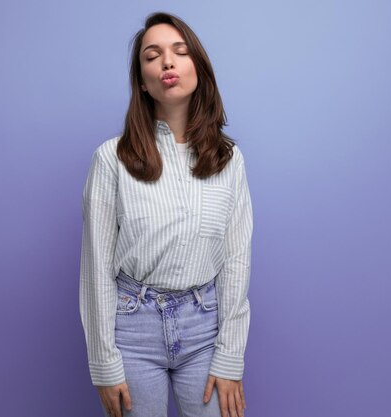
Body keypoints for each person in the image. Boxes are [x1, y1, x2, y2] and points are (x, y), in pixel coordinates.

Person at [79, 11, 253, 417]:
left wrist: (231, 354)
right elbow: (96, 266)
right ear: (142, 80)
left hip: (205, 329)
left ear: (199, 68)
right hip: (133, 330)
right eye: (152, 56)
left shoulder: (229, 160)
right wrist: (104, 362)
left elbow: (236, 260)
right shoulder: (111, 159)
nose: (167, 62)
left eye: (180, 51)